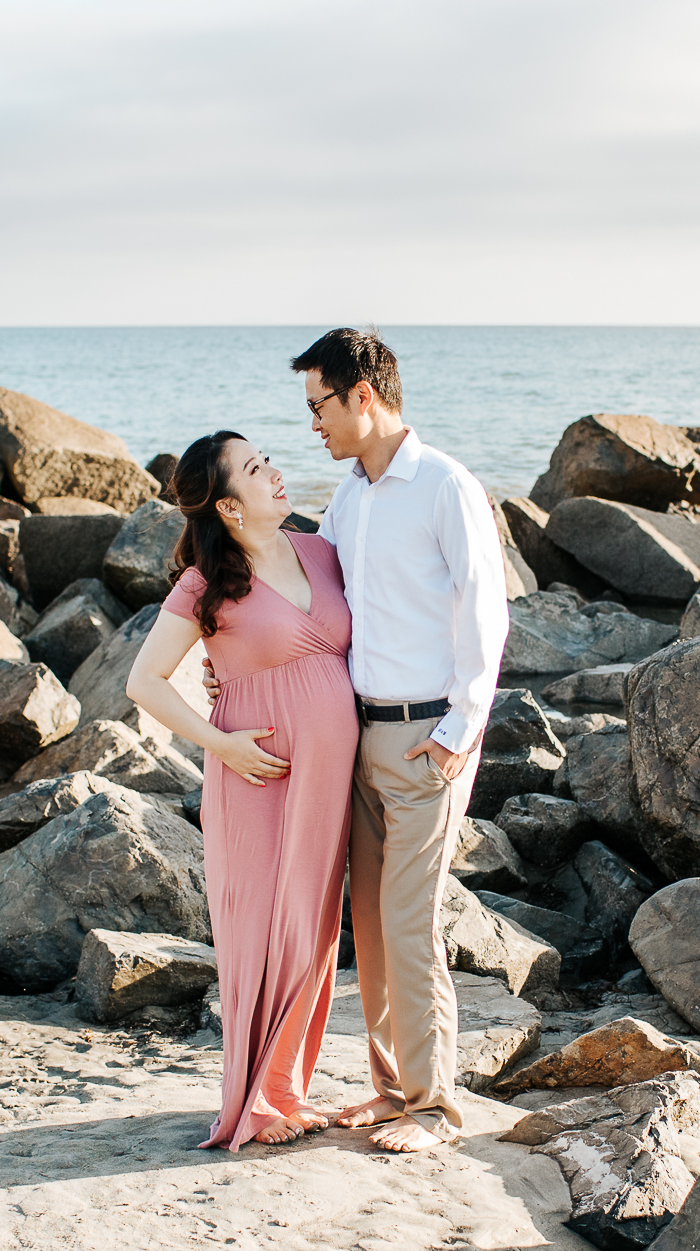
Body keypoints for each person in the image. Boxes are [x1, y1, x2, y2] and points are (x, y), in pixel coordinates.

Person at [210, 328, 508, 1153]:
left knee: (409, 920)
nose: (314, 426)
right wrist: (223, 669)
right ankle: (391, 1087)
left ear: (363, 396)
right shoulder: (349, 498)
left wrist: (458, 733)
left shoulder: (446, 486)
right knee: (370, 924)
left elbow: (488, 615)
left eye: (320, 407)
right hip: (358, 738)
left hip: (425, 737)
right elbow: (296, 596)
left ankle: (434, 1108)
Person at [126, 430, 356, 1149]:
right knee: (258, 929)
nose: (276, 472)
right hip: (255, 776)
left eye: (268, 460)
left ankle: (282, 1090)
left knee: (311, 930)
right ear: (228, 504)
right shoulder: (205, 583)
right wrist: (219, 742)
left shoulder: (321, 552)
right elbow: (143, 681)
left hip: (328, 778)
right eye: (257, 469)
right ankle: (252, 1104)